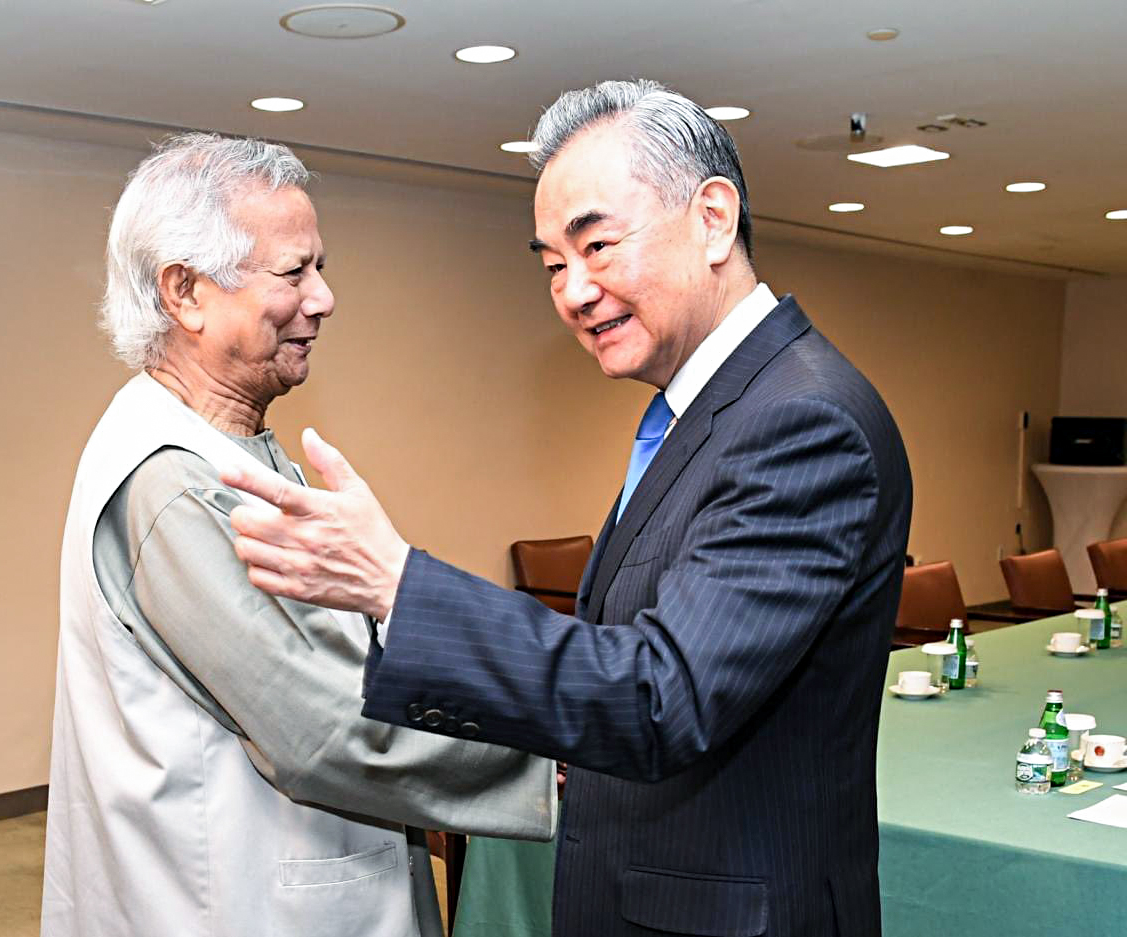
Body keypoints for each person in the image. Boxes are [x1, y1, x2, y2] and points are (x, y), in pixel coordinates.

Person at [224, 80, 912, 937]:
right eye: (553, 264)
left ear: (713, 219)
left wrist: (399, 584)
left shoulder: (802, 421)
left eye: (598, 246)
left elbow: (664, 693)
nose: (574, 292)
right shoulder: (707, 408)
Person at [42, 133, 555, 937]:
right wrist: (551, 757)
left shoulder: (232, 445)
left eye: (321, 267)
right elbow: (322, 730)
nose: (323, 297)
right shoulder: (172, 481)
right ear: (185, 292)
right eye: (293, 272)